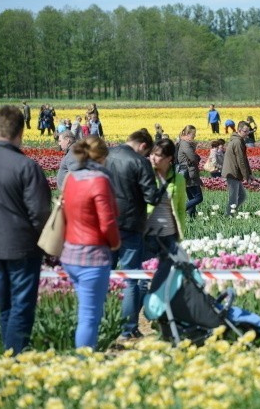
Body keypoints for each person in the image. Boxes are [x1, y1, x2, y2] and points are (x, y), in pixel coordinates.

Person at [0, 105, 51, 354]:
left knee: (5, 303)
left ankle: (7, 352)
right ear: (21, 131)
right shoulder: (26, 166)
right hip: (24, 246)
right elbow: (39, 212)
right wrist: (47, 241)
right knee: (22, 304)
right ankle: (15, 354)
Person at [61, 136, 121, 349]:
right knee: (90, 315)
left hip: (69, 253)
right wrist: (115, 244)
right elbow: (107, 222)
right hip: (92, 256)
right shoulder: (99, 180)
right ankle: (86, 364)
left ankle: (83, 356)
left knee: (85, 311)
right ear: (102, 157)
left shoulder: (71, 178)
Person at [105, 129, 160, 340]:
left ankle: (104, 324)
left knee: (104, 276)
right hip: (130, 224)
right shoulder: (139, 162)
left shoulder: (105, 156)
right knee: (131, 279)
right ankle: (128, 329)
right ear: (144, 146)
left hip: (105, 225)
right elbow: (151, 197)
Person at [144, 138, 187, 288]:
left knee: (166, 278)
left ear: (169, 158)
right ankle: (139, 310)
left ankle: (161, 310)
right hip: (148, 234)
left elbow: (181, 209)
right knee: (145, 278)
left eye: (158, 155)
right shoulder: (146, 175)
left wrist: (180, 233)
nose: (153, 158)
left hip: (169, 235)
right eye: (152, 154)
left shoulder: (179, 180)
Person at [222, 121, 256, 215]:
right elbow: (241, 161)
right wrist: (246, 177)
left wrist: (249, 174)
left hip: (235, 172)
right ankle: (228, 216)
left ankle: (230, 214)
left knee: (242, 196)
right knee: (234, 198)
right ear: (239, 130)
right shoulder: (237, 142)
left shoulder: (239, 140)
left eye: (248, 131)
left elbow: (244, 159)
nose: (247, 133)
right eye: (245, 131)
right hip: (232, 172)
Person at [178, 125, 203, 218]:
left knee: (192, 198)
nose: (194, 136)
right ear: (188, 134)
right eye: (193, 134)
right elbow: (193, 158)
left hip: (187, 173)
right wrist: (197, 157)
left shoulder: (184, 143)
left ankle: (192, 218)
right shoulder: (185, 144)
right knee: (198, 198)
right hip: (190, 173)